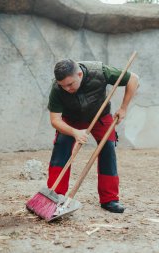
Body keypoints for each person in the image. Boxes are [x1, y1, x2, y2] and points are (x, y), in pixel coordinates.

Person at [47, 59, 139, 213]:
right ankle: (56, 196)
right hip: (71, 121)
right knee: (61, 148)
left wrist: (123, 108)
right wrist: (75, 132)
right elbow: (55, 120)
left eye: (70, 84)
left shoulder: (100, 72)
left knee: (108, 150)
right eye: (63, 86)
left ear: (80, 74)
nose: (67, 88)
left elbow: (133, 79)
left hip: (100, 117)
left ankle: (110, 200)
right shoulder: (57, 88)